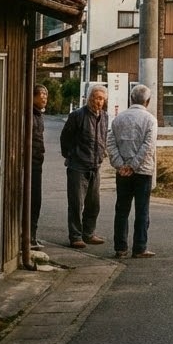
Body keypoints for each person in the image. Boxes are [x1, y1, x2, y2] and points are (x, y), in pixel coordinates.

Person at [107, 84, 158, 259]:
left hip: (122, 172)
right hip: (143, 171)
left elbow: (111, 144)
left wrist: (121, 165)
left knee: (121, 209)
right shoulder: (150, 120)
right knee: (142, 210)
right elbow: (148, 147)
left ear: (131, 99)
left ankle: (120, 248)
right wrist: (134, 165)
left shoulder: (118, 119)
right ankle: (140, 247)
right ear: (148, 101)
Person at [60, 83, 108, 249]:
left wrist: (102, 154)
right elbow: (65, 138)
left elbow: (102, 137)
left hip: (95, 166)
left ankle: (89, 233)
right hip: (78, 166)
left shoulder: (104, 116)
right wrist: (70, 155)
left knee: (94, 203)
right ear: (89, 98)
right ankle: (75, 236)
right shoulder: (77, 115)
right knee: (76, 203)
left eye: (102, 99)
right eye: (97, 98)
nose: (99, 102)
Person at [30, 84, 48, 250]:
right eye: (41, 96)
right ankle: (29, 237)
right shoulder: (30, 114)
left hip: (37, 162)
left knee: (36, 201)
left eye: (46, 97)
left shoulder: (39, 115)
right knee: (32, 200)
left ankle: (32, 236)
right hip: (30, 162)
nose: (44, 100)